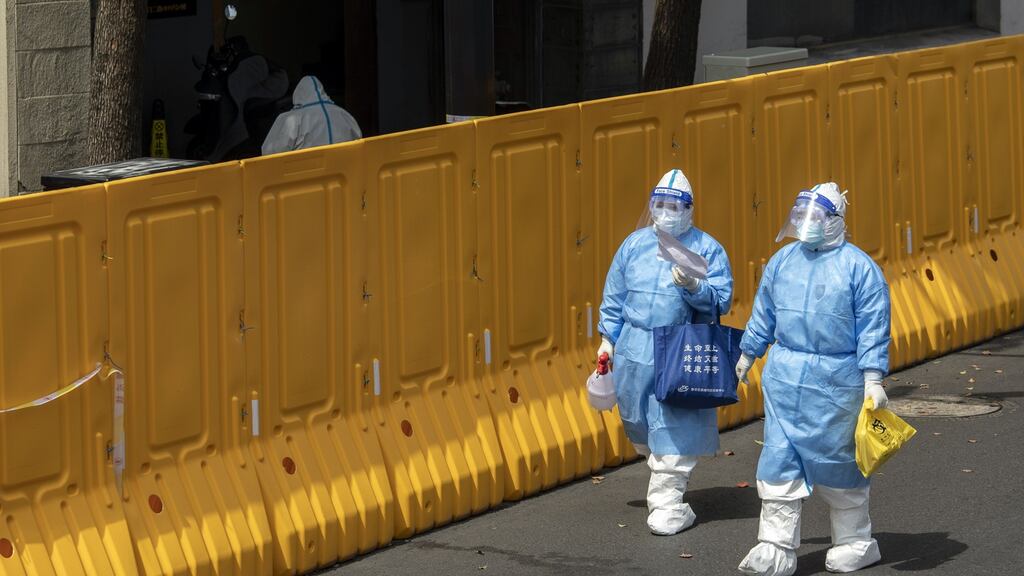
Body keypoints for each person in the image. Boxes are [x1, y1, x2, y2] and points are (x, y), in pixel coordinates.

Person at [735, 182, 891, 575]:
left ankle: (855, 539)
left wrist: (874, 379)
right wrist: (748, 352)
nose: (806, 224)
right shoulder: (783, 261)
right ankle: (775, 546)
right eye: (801, 217)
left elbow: (873, 328)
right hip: (785, 379)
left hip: (836, 384)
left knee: (838, 463)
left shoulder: (860, 269)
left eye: (816, 218)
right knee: (778, 458)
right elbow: (765, 312)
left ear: (836, 221)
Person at [598, 169, 734, 535]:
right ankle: (663, 476)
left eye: (674, 205)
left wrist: (694, 286)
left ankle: (668, 503)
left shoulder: (706, 248)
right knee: (639, 423)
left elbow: (720, 301)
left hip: (679, 345)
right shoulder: (634, 245)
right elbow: (615, 296)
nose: (665, 211)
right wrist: (608, 340)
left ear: (689, 209)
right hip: (634, 348)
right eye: (659, 204)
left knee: (673, 426)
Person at [261, 75, 362, 155]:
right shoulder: (345, 115)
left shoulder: (290, 120)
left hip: (305, 178)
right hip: (343, 176)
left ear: (297, 95)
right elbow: (359, 146)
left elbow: (270, 154)